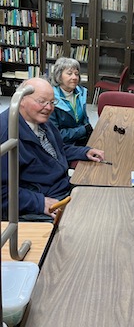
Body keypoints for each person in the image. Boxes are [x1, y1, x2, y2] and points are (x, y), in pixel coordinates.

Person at [0, 78, 105, 222]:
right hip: (40, 204)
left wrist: (84, 152)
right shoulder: (6, 134)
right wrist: (40, 203)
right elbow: (2, 192)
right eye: (41, 101)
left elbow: (56, 150)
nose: (49, 107)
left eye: (52, 102)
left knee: (105, 201)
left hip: (62, 188)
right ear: (21, 99)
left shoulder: (41, 121)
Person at [50, 57, 93, 146]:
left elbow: (85, 121)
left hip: (82, 139)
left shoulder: (81, 92)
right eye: (69, 74)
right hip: (64, 145)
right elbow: (55, 135)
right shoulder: (51, 99)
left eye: (76, 74)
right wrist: (83, 130)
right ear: (59, 76)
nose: (74, 77)